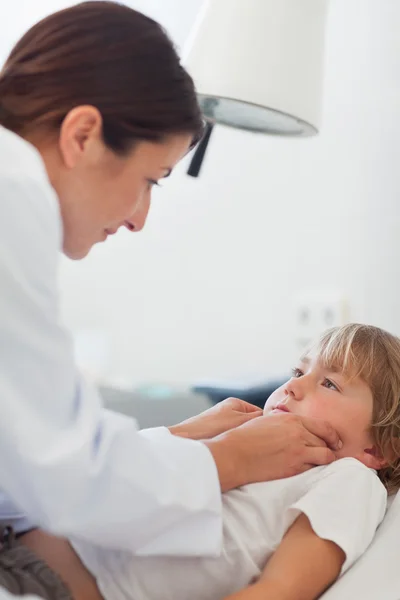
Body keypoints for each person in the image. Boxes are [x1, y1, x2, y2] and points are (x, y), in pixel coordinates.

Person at [0, 0, 340, 580]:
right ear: (83, 134)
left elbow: (26, 462)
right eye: (149, 181)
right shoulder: (13, 197)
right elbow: (66, 480)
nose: (139, 219)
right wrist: (226, 460)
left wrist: (175, 443)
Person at [3, 322, 398, 600]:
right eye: (297, 370)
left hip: (47, 582)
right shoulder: (240, 441)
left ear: (380, 450)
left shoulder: (349, 479)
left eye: (329, 383)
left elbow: (280, 591)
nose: (292, 385)